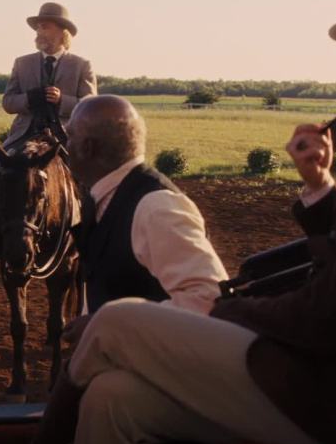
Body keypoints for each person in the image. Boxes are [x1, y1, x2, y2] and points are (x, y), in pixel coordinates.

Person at [30, 0, 336, 444]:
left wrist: (232, 309)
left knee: (114, 321)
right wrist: (319, 184)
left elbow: (333, 311)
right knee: (114, 398)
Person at [58, 95, 228, 342]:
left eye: (70, 136)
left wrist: (109, 324)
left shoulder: (156, 207)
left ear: (88, 148)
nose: (66, 145)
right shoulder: (103, 197)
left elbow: (209, 300)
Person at [0, 2, 97, 269]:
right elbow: (8, 102)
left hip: (64, 138)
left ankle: (93, 246)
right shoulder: (22, 63)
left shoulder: (81, 65)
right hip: (24, 137)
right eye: (38, 27)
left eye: (45, 26)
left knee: (93, 185)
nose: (39, 32)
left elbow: (89, 104)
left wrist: (62, 100)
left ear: (62, 32)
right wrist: (28, 99)